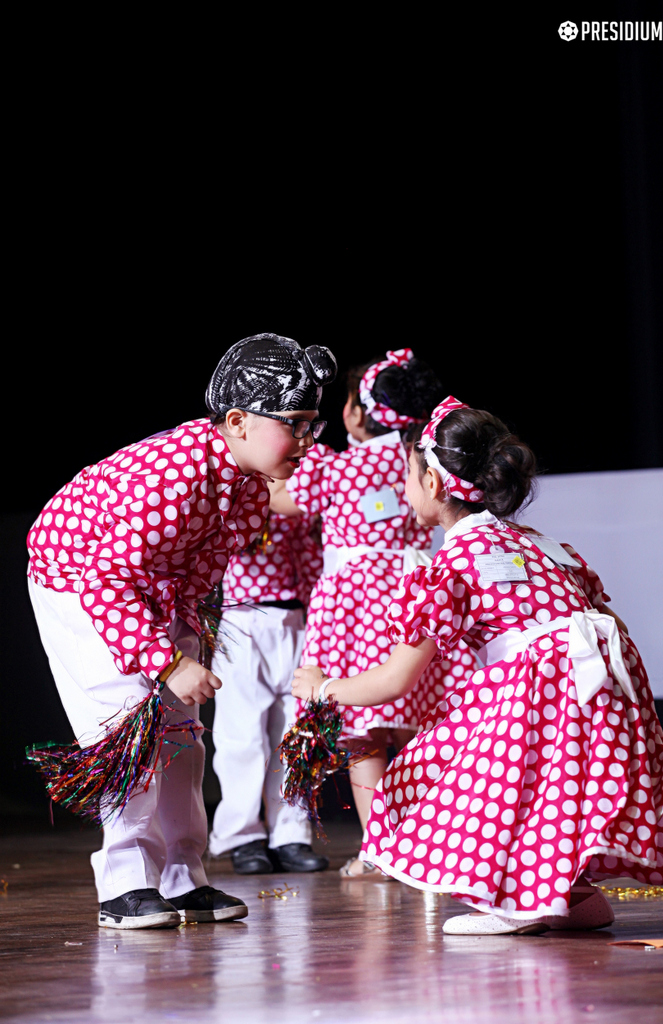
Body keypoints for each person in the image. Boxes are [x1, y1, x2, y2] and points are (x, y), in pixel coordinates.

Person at [293, 396, 663, 933]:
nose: (404, 489)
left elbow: (394, 679)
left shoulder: (455, 559)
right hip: (605, 692)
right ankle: (567, 891)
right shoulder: (542, 544)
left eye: (408, 476)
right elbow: (601, 618)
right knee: (547, 784)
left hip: (546, 686)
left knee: (456, 769)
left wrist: (322, 687)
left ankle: (516, 899)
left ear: (432, 484)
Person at [27, 333, 337, 929]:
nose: (306, 441)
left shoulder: (248, 483)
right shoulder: (175, 474)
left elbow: (196, 574)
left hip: (157, 591)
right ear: (239, 421)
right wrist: (166, 662)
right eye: (294, 424)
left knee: (182, 736)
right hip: (79, 581)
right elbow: (106, 579)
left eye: (312, 425)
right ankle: (125, 884)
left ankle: (182, 876)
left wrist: (184, 644)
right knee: (129, 729)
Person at [272, 352, 476, 877]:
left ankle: (381, 849)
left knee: (362, 731)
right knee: (415, 726)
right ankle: (432, 843)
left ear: (356, 412)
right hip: (414, 594)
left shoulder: (333, 467)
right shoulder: (424, 460)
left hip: (354, 605)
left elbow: (281, 499)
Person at [208, 507, 329, 874]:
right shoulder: (238, 501)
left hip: (297, 618)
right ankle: (242, 835)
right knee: (242, 736)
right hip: (244, 616)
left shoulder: (302, 500)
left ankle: (290, 833)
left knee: (297, 734)